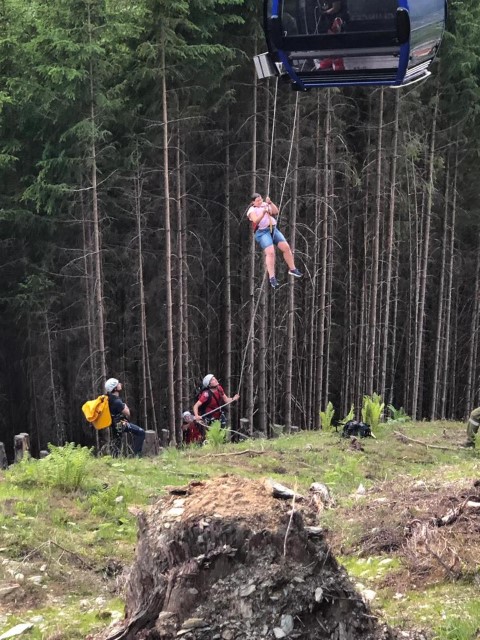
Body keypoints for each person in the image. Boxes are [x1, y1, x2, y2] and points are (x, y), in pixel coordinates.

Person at [247, 193, 302, 289]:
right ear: (253, 202)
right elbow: (255, 221)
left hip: (272, 229)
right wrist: (263, 213)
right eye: (257, 201)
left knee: (286, 247)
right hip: (262, 232)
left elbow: (276, 211)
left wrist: (270, 203)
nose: (260, 202)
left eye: (261, 199)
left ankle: (292, 269)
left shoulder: (265, 204)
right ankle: (272, 278)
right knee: (271, 252)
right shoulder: (251, 210)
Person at [104, 378, 145, 456]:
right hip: (120, 424)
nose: (120, 384)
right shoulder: (117, 402)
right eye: (118, 384)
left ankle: (115, 458)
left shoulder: (108, 398)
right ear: (115, 388)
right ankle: (136, 456)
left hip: (113, 424)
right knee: (141, 432)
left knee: (117, 443)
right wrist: (125, 405)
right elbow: (128, 413)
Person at [313, 0, 347, 71]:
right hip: (328, 23)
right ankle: (328, 64)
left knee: (335, 45)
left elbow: (336, 8)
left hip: (336, 21)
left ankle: (335, 66)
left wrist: (324, 13)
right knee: (330, 46)